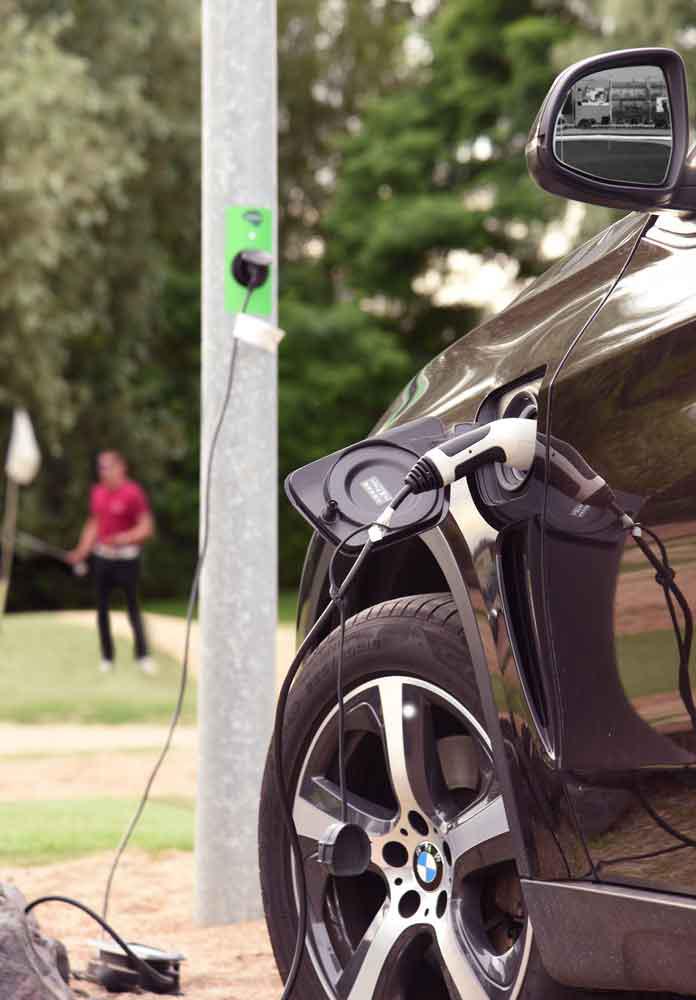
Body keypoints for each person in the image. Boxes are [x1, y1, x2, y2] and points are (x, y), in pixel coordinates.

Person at [69, 450, 156, 674]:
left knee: (132, 607)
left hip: (127, 559)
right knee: (102, 609)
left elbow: (146, 527)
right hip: (103, 559)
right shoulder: (97, 492)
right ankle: (107, 657)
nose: (104, 472)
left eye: (108, 467)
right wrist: (81, 550)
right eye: (101, 468)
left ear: (121, 467)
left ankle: (143, 655)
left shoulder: (133, 492)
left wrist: (123, 538)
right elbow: (94, 524)